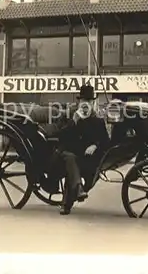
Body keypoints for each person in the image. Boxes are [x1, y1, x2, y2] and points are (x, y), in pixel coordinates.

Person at [49, 84, 110, 215]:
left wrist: (95, 146)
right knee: (71, 161)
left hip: (85, 159)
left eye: (88, 101)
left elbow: (106, 142)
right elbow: (60, 137)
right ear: (79, 102)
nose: (85, 104)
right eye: (83, 101)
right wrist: (74, 121)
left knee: (76, 167)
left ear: (93, 103)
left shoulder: (98, 120)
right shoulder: (70, 116)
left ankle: (76, 193)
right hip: (65, 155)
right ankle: (75, 193)